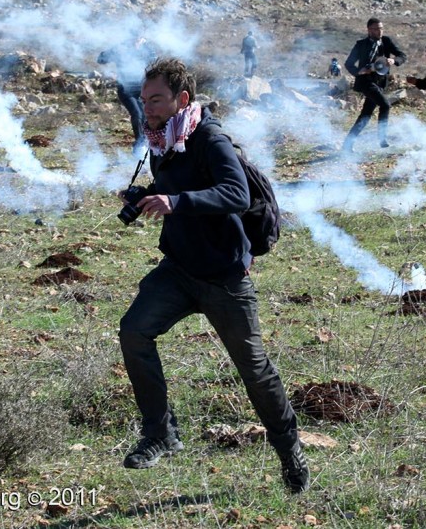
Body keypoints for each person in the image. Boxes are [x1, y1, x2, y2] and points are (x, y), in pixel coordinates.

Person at [117, 58, 310, 494]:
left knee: (254, 370)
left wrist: (176, 202)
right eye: (144, 99)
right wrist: (145, 196)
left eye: (156, 99)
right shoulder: (164, 137)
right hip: (180, 268)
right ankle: (160, 433)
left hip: (224, 275)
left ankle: (289, 449)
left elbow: (235, 192)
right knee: (134, 331)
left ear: (182, 99)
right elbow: (176, 185)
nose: (147, 107)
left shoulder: (208, 136)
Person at [342, 17, 407, 152]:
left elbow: (402, 55)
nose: (380, 32)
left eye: (381, 28)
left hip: (380, 82)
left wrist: (393, 60)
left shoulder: (386, 41)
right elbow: (349, 63)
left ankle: (347, 144)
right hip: (366, 82)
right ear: (369, 30)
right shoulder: (360, 44)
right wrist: (360, 71)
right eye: (376, 29)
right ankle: (382, 138)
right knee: (385, 104)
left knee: (366, 114)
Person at [98, 37, 157, 154]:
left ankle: (146, 143)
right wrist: (112, 52)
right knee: (137, 114)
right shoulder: (121, 48)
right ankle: (140, 144)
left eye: (138, 40)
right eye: (133, 39)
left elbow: (155, 61)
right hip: (125, 89)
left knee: (146, 115)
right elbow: (101, 59)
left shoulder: (146, 48)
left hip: (142, 89)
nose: (136, 42)